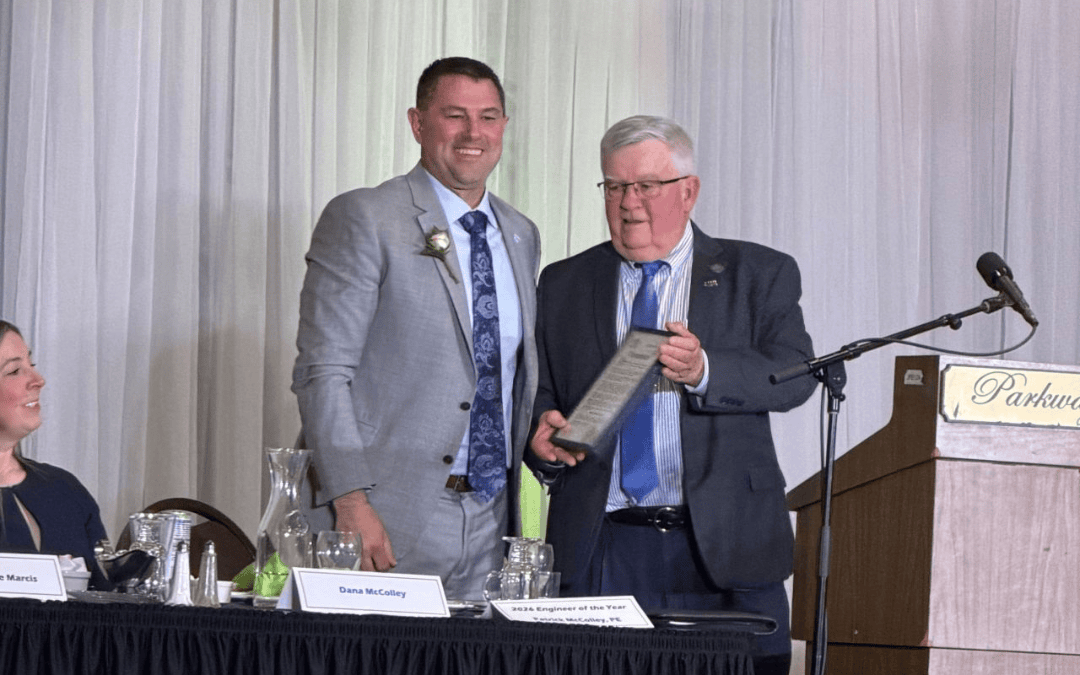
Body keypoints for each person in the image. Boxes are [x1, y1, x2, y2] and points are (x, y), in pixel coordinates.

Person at [526, 115, 816, 674]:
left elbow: (797, 374)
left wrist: (707, 369)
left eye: (646, 186)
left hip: (723, 547)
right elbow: (540, 392)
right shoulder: (564, 282)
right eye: (615, 186)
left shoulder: (757, 273)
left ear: (688, 191)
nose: (628, 202)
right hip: (601, 546)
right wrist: (540, 436)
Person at [292, 57, 540, 600]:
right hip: (383, 513)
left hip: (491, 517)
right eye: (455, 115)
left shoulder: (521, 234)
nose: (473, 133)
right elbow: (322, 373)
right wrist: (350, 502)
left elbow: (505, 372)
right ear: (417, 123)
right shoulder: (366, 216)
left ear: (503, 126)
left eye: (488, 117)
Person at [0, 320, 111, 590]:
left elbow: (104, 598)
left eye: (32, 365)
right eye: (14, 371)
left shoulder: (65, 491)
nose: (38, 380)